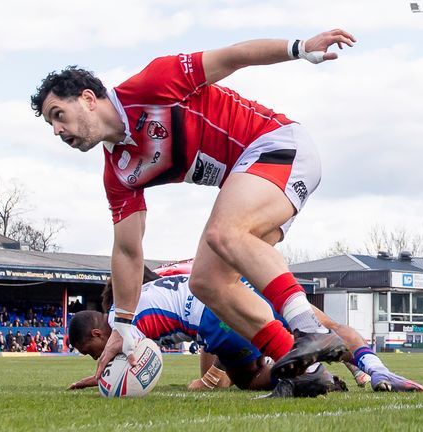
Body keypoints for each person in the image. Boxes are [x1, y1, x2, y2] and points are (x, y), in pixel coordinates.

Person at [31, 29, 356, 380]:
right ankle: (305, 374)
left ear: (88, 98)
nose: (56, 130)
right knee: (206, 282)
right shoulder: (118, 175)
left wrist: (300, 48)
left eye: (58, 114)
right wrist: (122, 329)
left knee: (224, 232)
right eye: (51, 123)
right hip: (248, 176)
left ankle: (310, 330)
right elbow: (127, 252)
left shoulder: (150, 85)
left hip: (277, 143)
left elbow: (233, 56)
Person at [69, 266, 423, 395]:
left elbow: (137, 363)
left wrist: (101, 377)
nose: (97, 357)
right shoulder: (151, 289)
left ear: (97, 335)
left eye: (91, 352)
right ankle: (377, 371)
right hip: (241, 288)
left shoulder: (121, 316)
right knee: (324, 326)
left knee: (248, 376)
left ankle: (306, 376)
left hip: (214, 317)